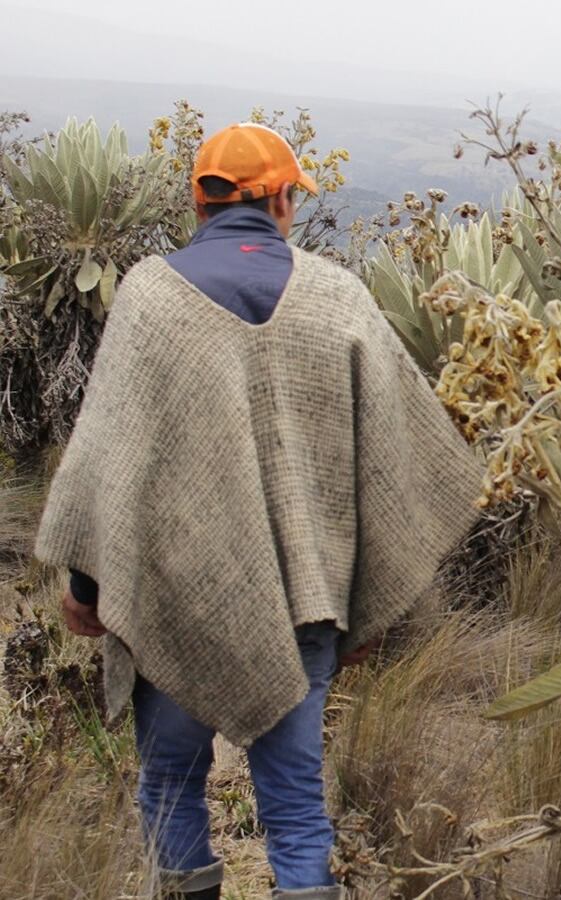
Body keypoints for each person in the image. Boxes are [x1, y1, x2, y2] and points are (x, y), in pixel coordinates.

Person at [35, 123, 482, 900]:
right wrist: (369, 612)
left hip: (175, 600)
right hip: (304, 604)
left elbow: (109, 458)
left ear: (196, 200)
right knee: (299, 810)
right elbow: (400, 453)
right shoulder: (338, 297)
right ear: (281, 199)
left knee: (170, 788)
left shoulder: (149, 297)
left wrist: (87, 589)